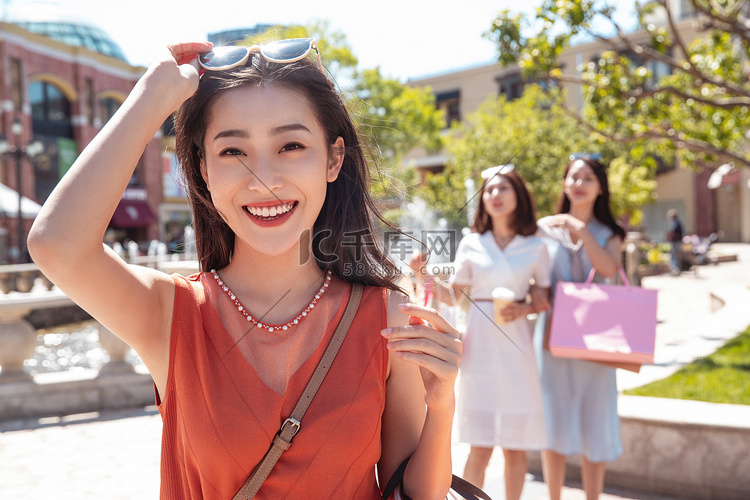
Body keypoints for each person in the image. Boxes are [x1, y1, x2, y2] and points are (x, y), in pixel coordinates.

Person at [28, 40, 460, 499]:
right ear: (204, 170)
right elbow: (57, 245)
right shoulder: (172, 314)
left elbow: (414, 494)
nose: (263, 179)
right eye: (233, 151)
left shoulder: (385, 316)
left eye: (291, 145)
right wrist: (151, 99)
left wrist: (443, 405)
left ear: (333, 159)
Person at [411, 164, 550, 500]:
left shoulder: (535, 246)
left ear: (518, 194)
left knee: (515, 446)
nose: (495, 195)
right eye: (489, 190)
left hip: (515, 342)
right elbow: (455, 297)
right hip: (479, 344)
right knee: (480, 443)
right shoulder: (473, 243)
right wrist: (422, 275)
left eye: (503, 188)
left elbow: (543, 298)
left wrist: (525, 307)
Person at [532, 155, 626, 500]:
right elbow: (535, 278)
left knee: (595, 421)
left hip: (598, 338)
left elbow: (608, 269)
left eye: (588, 178)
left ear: (600, 187)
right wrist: (535, 292)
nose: (580, 184)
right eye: (573, 177)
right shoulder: (543, 228)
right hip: (553, 337)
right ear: (564, 183)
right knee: (551, 423)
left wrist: (581, 230)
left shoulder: (610, 233)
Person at [666, 209, 684, 275]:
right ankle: (676, 269)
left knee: (675, 256)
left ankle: (676, 269)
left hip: (676, 242)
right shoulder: (676, 223)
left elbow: (674, 233)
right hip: (676, 241)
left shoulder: (676, 223)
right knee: (676, 255)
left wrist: (669, 236)